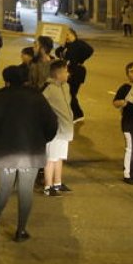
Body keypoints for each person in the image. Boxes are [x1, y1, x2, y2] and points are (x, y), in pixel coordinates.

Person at [0, 65, 58, 243]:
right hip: (30, 152)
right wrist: (41, 140)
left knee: (4, 187)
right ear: (25, 79)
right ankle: (21, 230)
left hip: (5, 151)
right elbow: (52, 123)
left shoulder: (0, 97)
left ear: (7, 81)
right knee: (25, 190)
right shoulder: (37, 97)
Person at [41, 60, 75, 195]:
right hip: (55, 130)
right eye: (66, 71)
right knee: (50, 158)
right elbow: (41, 107)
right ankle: (48, 187)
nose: (68, 73)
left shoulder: (66, 87)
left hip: (66, 129)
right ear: (58, 73)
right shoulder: (48, 89)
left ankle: (57, 183)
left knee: (59, 157)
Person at [56, 29, 93, 122]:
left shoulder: (79, 44)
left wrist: (80, 60)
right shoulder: (66, 46)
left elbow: (90, 50)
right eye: (65, 35)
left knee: (70, 94)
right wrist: (63, 45)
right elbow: (58, 53)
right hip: (67, 72)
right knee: (68, 94)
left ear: (73, 34)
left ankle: (78, 114)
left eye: (68, 34)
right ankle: (74, 113)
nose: (66, 37)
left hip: (76, 73)